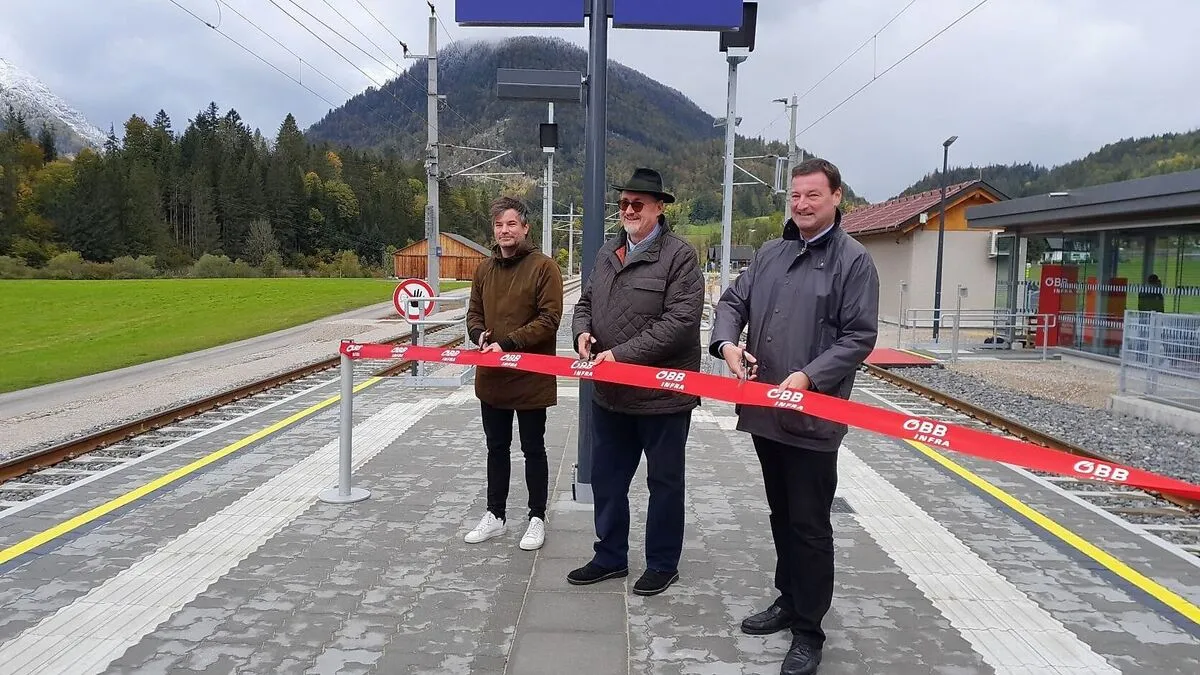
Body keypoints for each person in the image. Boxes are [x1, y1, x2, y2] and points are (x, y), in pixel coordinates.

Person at [710, 158, 879, 675]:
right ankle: (788, 599)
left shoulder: (854, 261)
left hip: (813, 420)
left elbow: (859, 337)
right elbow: (732, 301)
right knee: (780, 514)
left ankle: (809, 629)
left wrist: (809, 377)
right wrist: (725, 345)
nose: (801, 205)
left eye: (812, 195)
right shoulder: (770, 254)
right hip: (765, 412)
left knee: (809, 524)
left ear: (836, 198)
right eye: (795, 197)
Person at [567, 167, 704, 596]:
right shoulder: (609, 251)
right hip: (611, 395)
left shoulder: (680, 256)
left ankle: (663, 564)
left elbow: (680, 323)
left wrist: (621, 355)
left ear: (659, 208)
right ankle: (610, 556)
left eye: (637, 204)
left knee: (664, 483)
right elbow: (585, 302)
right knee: (607, 479)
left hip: (663, 398)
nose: (627, 210)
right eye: (623, 203)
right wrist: (581, 332)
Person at [463, 196, 564, 551]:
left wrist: (507, 344)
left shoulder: (544, 267)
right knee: (496, 448)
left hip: (530, 379)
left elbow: (549, 320)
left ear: (525, 227)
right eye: (499, 225)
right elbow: (474, 313)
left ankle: (537, 517)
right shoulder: (484, 270)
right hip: (492, 378)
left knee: (533, 448)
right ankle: (496, 515)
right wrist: (480, 337)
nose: (504, 231)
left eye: (511, 225)